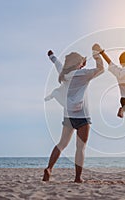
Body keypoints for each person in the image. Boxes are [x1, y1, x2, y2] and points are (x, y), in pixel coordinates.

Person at [43, 44, 104, 182]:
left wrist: (52, 56)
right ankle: (78, 177)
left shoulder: (64, 74)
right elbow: (101, 69)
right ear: (78, 64)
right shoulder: (83, 74)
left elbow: (57, 64)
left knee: (61, 144)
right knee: (80, 148)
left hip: (68, 116)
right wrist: (96, 55)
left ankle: (49, 168)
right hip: (83, 116)